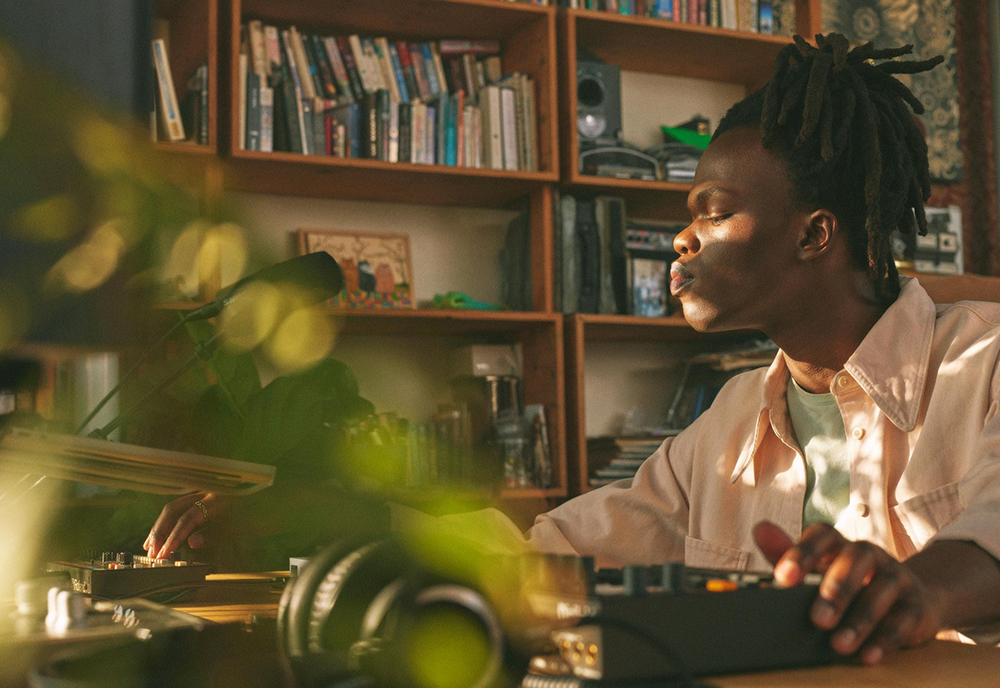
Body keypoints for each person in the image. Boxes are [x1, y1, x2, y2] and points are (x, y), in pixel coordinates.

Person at [146, 33, 1000, 664]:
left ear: (816, 233)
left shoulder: (983, 362)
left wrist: (916, 589)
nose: (681, 241)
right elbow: (547, 551)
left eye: (711, 209)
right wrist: (312, 514)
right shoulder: (736, 420)